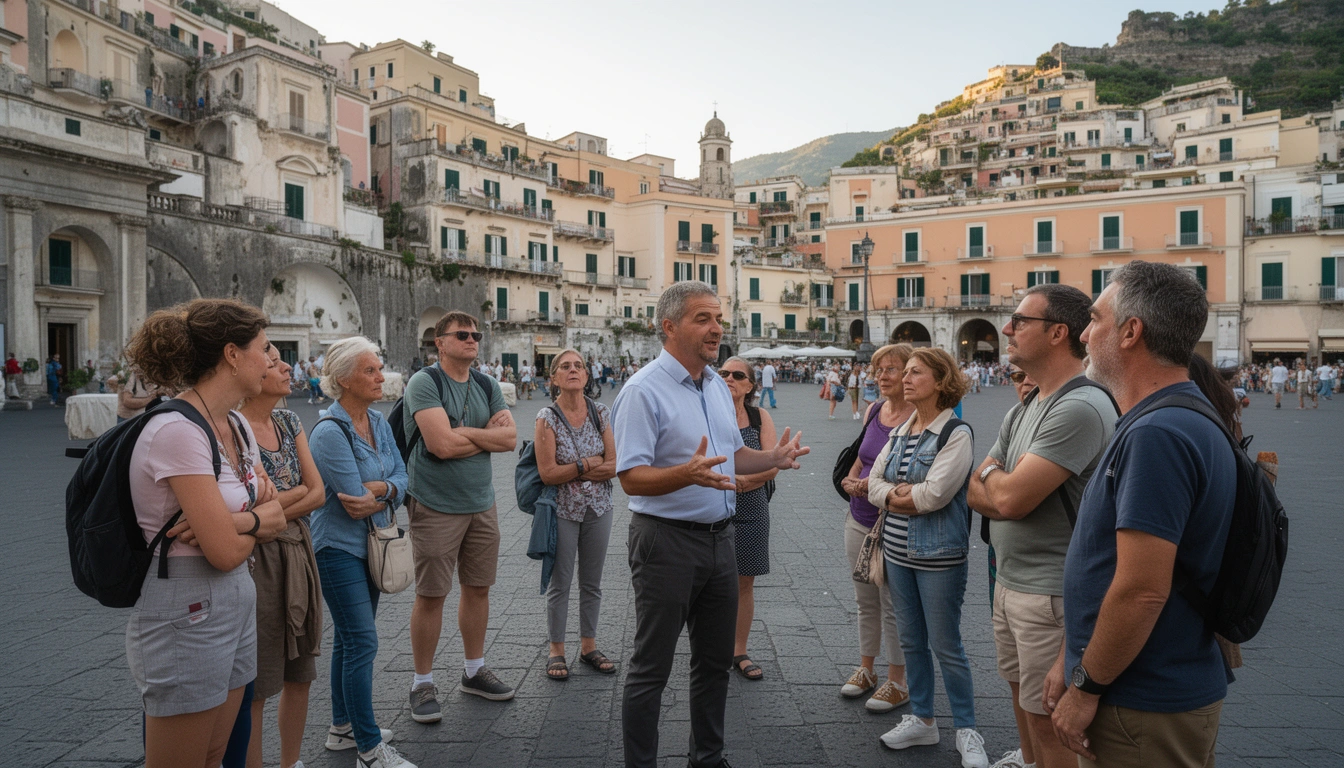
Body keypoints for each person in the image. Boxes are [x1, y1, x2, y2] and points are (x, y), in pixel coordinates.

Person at [612, 281, 808, 768]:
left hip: (722, 540)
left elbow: (734, 455)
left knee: (715, 663)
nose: (716, 328)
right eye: (703, 318)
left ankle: (708, 757)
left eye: (718, 318)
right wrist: (686, 474)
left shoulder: (717, 386)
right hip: (665, 542)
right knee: (650, 667)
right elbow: (631, 479)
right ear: (669, 326)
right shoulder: (641, 390)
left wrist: (773, 457)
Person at [1048, 261, 1235, 768]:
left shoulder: (1158, 435)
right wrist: (1071, 655)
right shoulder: (1173, 417)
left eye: (1095, 319)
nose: (1085, 334)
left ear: (1131, 332)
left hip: (1142, 700)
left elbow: (1141, 588)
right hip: (1147, 688)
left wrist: (1085, 688)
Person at [123, 299, 287, 768]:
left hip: (237, 598)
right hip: (187, 606)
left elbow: (273, 510)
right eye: (264, 348)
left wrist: (235, 521)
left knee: (215, 754)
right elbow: (223, 551)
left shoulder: (236, 423)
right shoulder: (177, 430)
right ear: (232, 355)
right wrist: (258, 520)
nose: (273, 359)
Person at [966, 285, 1118, 768]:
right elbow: (973, 489)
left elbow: (1006, 499)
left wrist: (993, 477)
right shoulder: (1025, 406)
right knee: (1025, 706)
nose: (1007, 329)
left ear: (1058, 333)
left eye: (1019, 320)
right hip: (1012, 584)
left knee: (1050, 721)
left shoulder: (1079, 408)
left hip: (1051, 595)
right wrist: (996, 480)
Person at [867, 347, 988, 768]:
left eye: (916, 373)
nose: (905, 379)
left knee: (946, 644)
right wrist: (900, 496)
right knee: (912, 641)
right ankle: (922, 718)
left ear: (940, 381)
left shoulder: (955, 433)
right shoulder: (901, 430)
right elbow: (872, 484)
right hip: (897, 554)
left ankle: (967, 729)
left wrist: (895, 495)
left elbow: (935, 496)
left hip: (938, 556)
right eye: (907, 372)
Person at [404, 311, 517, 723]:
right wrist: (480, 434)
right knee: (431, 594)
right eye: (463, 334)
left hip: (481, 502)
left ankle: (473, 671)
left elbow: (510, 438)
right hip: (435, 504)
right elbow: (440, 446)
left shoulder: (486, 383)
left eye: (476, 334)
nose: (472, 340)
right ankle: (422, 681)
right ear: (440, 342)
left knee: (478, 588)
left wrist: (463, 433)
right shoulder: (424, 383)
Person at [309, 336, 414, 768]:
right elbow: (353, 502)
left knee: (351, 641)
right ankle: (370, 750)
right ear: (343, 380)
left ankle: (342, 728)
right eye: (370, 370)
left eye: (379, 367)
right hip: (338, 548)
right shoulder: (329, 433)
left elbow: (403, 477)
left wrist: (385, 489)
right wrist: (386, 489)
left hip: (371, 543)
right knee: (362, 641)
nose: (380, 376)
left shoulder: (378, 421)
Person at [240, 347, 326, 768]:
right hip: (257, 561)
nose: (287, 367)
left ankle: (290, 764)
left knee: (301, 671)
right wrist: (279, 509)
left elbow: (319, 491)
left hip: (297, 550)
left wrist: (268, 513)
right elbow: (302, 494)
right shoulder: (234, 429)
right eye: (274, 363)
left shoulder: (289, 420)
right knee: (256, 680)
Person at [534, 349, 618, 681]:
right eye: (565, 366)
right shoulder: (547, 417)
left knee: (592, 582)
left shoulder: (601, 412)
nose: (573, 370)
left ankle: (588, 646)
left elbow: (613, 465)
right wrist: (587, 464)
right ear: (553, 378)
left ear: (587, 375)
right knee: (561, 582)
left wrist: (576, 470)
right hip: (563, 510)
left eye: (579, 366)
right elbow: (548, 474)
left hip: (600, 508)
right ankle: (557, 650)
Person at [838, 343, 913, 713]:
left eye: (892, 369)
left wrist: (874, 487)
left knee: (892, 604)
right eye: (878, 369)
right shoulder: (874, 409)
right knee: (864, 600)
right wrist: (852, 480)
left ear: (910, 373)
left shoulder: (923, 416)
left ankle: (897, 680)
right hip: (859, 517)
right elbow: (859, 456)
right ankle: (866, 669)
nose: (882, 376)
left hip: (895, 521)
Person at [717, 356, 779, 682]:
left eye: (738, 375)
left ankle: (738, 649)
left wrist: (742, 483)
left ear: (750, 385)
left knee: (744, 583)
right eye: (723, 372)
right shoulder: (707, 414)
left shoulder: (758, 417)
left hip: (752, 508)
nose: (729, 378)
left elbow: (770, 464)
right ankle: (712, 645)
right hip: (711, 507)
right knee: (709, 583)